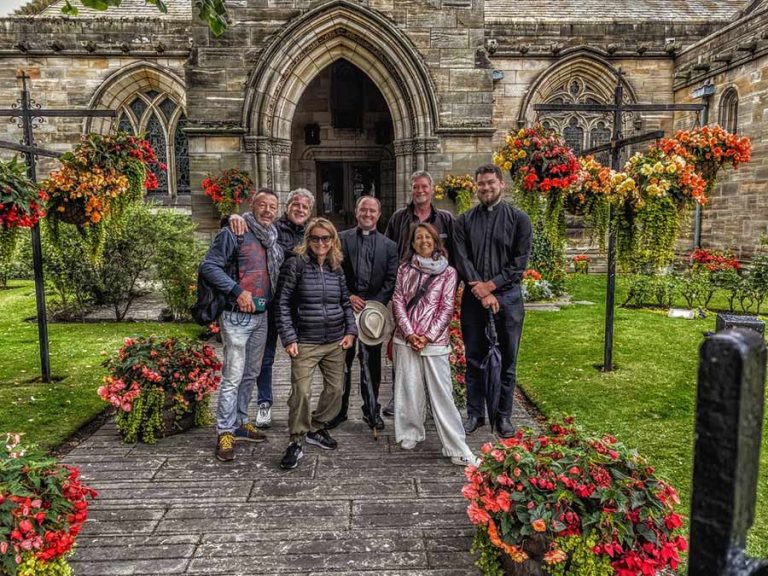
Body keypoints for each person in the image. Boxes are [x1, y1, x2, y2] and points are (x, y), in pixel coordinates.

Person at [199, 188, 284, 462]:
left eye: (273, 206)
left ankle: (240, 422)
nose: (268, 210)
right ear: (253, 206)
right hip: (236, 314)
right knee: (233, 375)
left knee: (251, 373)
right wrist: (237, 291)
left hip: (261, 315)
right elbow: (209, 267)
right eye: (263, 205)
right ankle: (224, 431)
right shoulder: (234, 231)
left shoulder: (273, 238)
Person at [453, 164, 532, 438]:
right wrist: (481, 290)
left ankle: (503, 416)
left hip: (508, 300)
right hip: (475, 302)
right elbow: (462, 259)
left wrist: (491, 287)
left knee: (508, 361)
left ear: (501, 185)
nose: (485, 188)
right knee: (474, 357)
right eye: (481, 184)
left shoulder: (519, 220)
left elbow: (518, 263)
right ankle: (475, 414)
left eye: (490, 183)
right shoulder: (463, 221)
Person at [391, 223, 478, 466]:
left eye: (427, 237)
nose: (423, 241)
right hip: (406, 340)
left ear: (435, 241)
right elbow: (398, 300)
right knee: (409, 389)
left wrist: (427, 336)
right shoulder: (404, 269)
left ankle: (456, 446)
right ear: (412, 243)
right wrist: (409, 334)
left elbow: (447, 307)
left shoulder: (448, 273)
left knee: (442, 394)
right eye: (418, 238)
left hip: (434, 341)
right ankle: (410, 432)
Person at [276, 217, 357, 470]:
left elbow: (345, 302)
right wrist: (289, 337)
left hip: (334, 340)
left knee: (336, 391)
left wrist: (351, 331)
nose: (321, 243)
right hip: (305, 342)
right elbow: (282, 304)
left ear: (333, 240)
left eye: (326, 238)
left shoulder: (336, 267)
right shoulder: (295, 265)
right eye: (315, 238)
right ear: (308, 239)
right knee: (301, 392)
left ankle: (317, 427)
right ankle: (296, 440)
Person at [229, 188, 314, 429]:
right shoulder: (271, 229)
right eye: (296, 205)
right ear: (287, 207)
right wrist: (231, 217)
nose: (300, 209)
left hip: (299, 305)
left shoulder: (313, 234)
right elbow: (246, 223)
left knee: (302, 356)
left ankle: (298, 403)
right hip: (271, 302)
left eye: (305, 207)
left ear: (310, 211)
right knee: (264, 357)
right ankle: (264, 403)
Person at [383, 170, 455, 417]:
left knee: (433, 349)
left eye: (424, 187)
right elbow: (390, 252)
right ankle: (398, 397)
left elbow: (453, 255)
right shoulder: (398, 219)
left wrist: (453, 287)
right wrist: (393, 289)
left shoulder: (445, 218)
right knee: (401, 346)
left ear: (432, 189)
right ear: (411, 189)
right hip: (405, 292)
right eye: (416, 187)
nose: (420, 191)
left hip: (436, 296)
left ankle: (433, 401)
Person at [327, 196, 398, 430]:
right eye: (363, 210)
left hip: (373, 314)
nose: (367, 214)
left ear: (379, 215)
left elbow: (391, 279)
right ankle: (339, 411)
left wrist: (375, 305)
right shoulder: (341, 239)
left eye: (372, 211)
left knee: (372, 363)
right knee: (342, 362)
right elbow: (333, 271)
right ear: (357, 212)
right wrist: (348, 295)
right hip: (345, 309)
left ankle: (371, 409)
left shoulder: (389, 246)